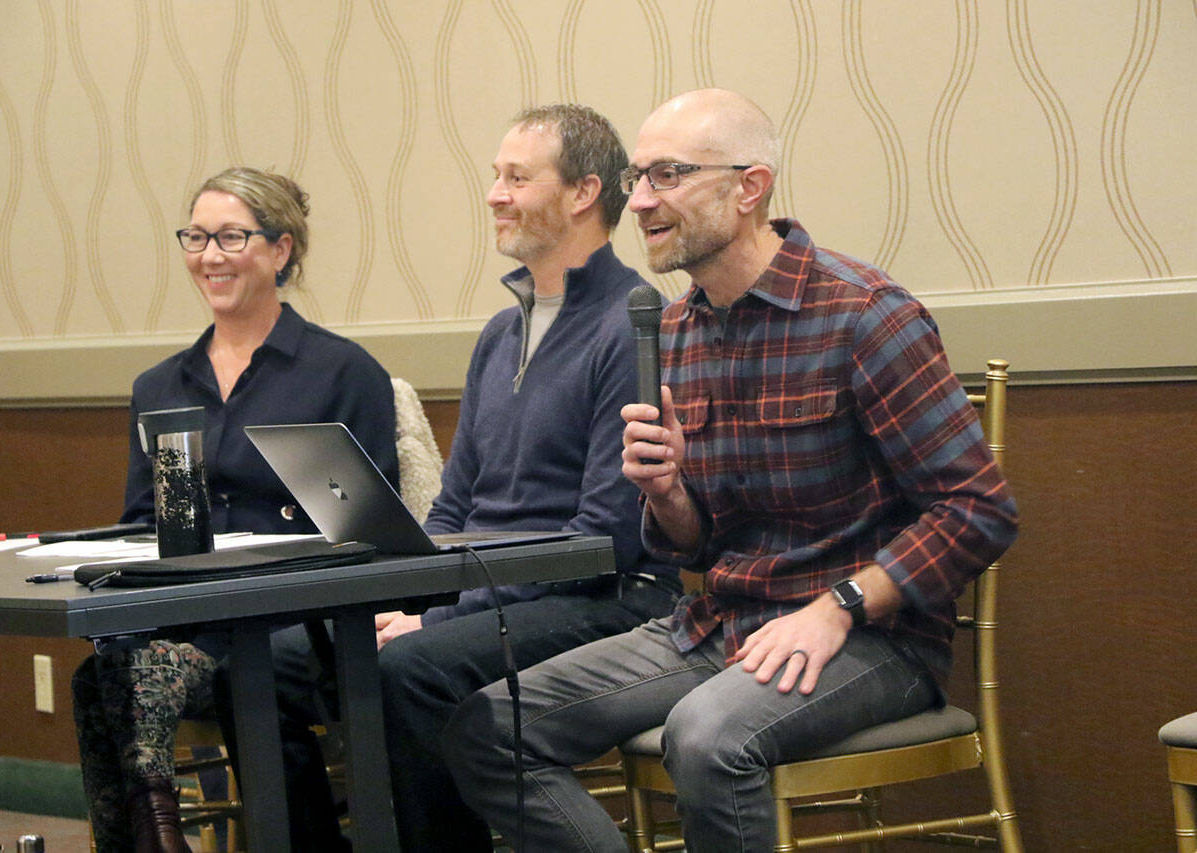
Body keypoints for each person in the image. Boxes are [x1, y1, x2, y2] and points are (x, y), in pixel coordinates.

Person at [442, 88, 1020, 852]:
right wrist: (669, 494)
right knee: (487, 726)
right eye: (638, 179)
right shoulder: (673, 330)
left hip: (875, 638)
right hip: (723, 624)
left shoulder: (863, 314)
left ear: (750, 187)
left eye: (668, 176)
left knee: (707, 735)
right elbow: (694, 542)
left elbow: (978, 509)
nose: (641, 201)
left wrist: (839, 605)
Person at [374, 104, 681, 852]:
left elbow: (600, 541)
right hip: (498, 593)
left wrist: (438, 618)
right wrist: (391, 595)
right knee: (308, 646)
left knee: (412, 666)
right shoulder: (500, 330)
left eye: (517, 177)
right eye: (496, 176)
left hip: (604, 599)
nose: (495, 195)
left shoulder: (634, 321)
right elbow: (455, 505)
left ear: (582, 192)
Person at [71, 166, 397, 853]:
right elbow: (141, 523)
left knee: (256, 670)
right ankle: (151, 837)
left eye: (231, 237)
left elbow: (367, 531)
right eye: (196, 236)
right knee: (102, 673)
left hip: (296, 615)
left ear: (281, 251)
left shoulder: (342, 372)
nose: (209, 256)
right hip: (192, 609)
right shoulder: (159, 385)